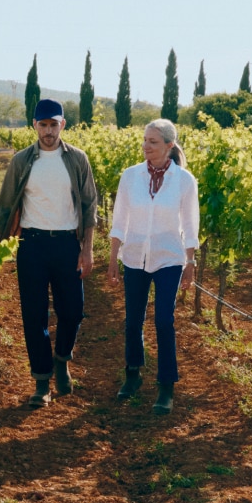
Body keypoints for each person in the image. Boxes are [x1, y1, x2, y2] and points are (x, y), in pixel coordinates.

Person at [0, 98, 98, 406]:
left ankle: (62, 360)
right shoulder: (22, 161)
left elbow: (90, 207)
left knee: (74, 310)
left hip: (67, 244)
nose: (48, 131)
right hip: (32, 245)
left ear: (63, 125)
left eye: (54, 124)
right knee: (33, 315)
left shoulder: (77, 159)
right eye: (43, 125)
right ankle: (42, 382)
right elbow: (4, 207)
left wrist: (87, 250)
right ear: (34, 126)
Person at [107, 117, 200, 414]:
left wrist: (190, 262)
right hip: (134, 256)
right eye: (145, 140)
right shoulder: (130, 176)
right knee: (133, 319)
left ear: (169, 146)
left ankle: (166, 387)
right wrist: (112, 259)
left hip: (169, 257)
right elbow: (119, 220)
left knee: (164, 320)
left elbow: (189, 224)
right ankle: (132, 374)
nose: (146, 146)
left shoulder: (184, 181)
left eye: (153, 142)